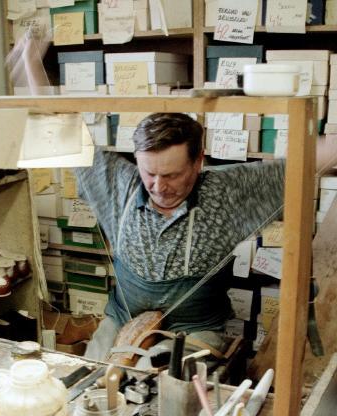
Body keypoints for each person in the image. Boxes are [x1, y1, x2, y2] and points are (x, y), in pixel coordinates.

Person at [75, 112, 285, 361]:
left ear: (198, 162)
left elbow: (299, 165)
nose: (158, 187)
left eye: (172, 175)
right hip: (124, 320)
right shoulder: (117, 183)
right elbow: (61, 130)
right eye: (149, 173)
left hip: (195, 330)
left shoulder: (227, 192)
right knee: (91, 374)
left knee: (154, 380)